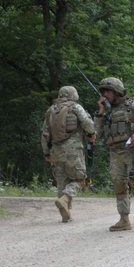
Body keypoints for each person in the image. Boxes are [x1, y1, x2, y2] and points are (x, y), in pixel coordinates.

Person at [93, 76, 134, 232]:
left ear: (117, 92)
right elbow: (96, 130)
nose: (105, 94)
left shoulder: (133, 107)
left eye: (108, 91)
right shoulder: (107, 112)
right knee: (119, 186)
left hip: (132, 152)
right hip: (115, 153)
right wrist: (100, 112)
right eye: (103, 91)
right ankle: (124, 219)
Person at [41, 85, 95, 223]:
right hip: (73, 151)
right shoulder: (75, 107)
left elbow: (45, 134)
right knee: (79, 180)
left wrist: (47, 153)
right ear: (73, 95)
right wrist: (92, 133)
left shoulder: (50, 111)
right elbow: (89, 125)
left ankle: (67, 214)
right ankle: (65, 199)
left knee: (62, 182)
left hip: (56, 151)